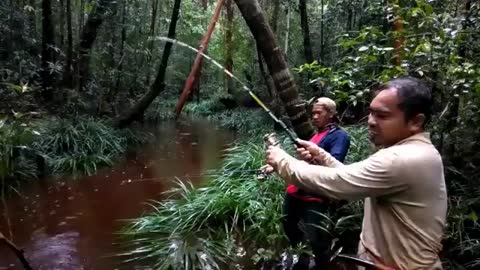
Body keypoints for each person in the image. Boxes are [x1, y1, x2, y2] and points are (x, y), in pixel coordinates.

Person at [266, 76, 447, 270]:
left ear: (416, 121)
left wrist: (280, 159)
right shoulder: (413, 152)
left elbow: (339, 183)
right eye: (371, 113)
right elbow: (349, 175)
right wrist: (321, 155)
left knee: (318, 243)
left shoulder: (404, 157)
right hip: (382, 264)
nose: (370, 121)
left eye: (382, 115)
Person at [281, 97, 350, 270]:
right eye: (313, 113)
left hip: (315, 197)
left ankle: (322, 265)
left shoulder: (340, 136)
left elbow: (335, 165)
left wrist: (312, 159)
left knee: (317, 238)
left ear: (332, 114)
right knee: (288, 224)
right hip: (295, 191)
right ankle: (303, 259)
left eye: (319, 112)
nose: (315, 116)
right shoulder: (315, 136)